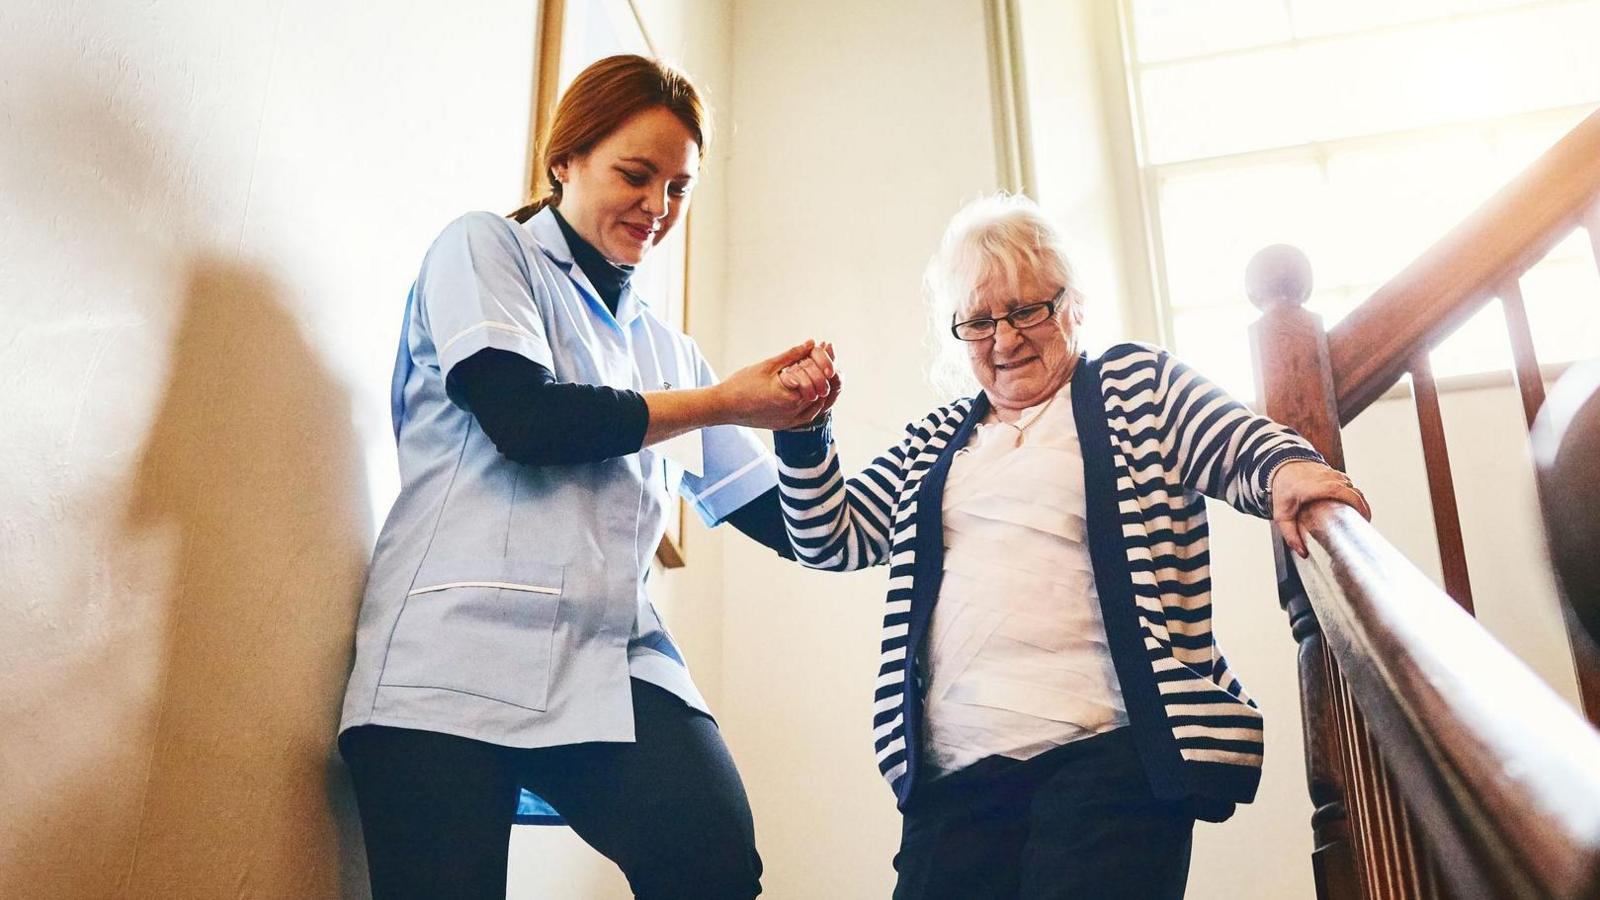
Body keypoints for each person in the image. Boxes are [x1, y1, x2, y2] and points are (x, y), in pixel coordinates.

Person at [337, 54, 838, 900]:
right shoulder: (484, 248)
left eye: (678, 189)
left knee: (712, 858)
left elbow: (792, 524)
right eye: (636, 176)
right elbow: (526, 420)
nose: (657, 208)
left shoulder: (666, 350)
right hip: (449, 659)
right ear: (564, 159)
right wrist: (721, 402)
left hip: (611, 658)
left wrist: (802, 424)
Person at [772, 193, 1369, 899]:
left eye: (1028, 309)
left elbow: (1234, 441)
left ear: (1072, 305)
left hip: (1111, 755)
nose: (1005, 338)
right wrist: (805, 432)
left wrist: (1288, 470)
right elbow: (829, 536)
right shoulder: (934, 441)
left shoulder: (1134, 386)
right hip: (955, 774)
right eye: (979, 321)